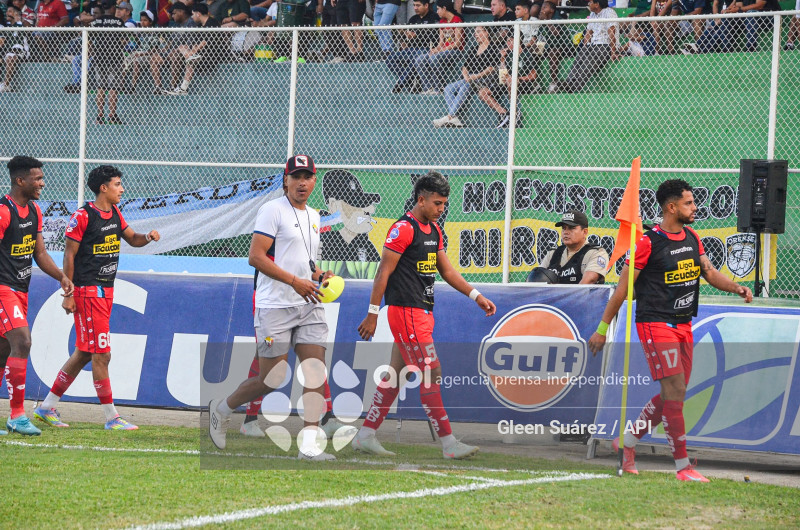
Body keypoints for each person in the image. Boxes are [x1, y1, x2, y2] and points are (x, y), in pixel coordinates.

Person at [588, 179, 753, 482]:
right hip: (655, 323)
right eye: (689, 203)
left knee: (672, 394)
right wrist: (601, 329)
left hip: (684, 324)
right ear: (671, 207)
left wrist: (736, 287)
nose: (694, 207)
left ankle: (626, 443)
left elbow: (710, 272)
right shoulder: (649, 242)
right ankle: (683, 467)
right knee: (675, 390)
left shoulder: (692, 237)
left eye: (693, 202)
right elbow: (623, 290)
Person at [352, 171, 497, 459]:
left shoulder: (435, 230)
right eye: (438, 203)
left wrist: (475, 295)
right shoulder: (403, 229)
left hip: (422, 311)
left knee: (396, 374)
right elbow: (383, 271)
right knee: (432, 372)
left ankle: (365, 435)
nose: (442, 209)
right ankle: (449, 444)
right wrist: (373, 313)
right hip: (405, 311)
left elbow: (447, 271)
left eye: (444, 204)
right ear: (421, 200)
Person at [208, 154, 339, 461]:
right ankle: (222, 408)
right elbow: (256, 257)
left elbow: (305, 263)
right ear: (285, 180)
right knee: (272, 379)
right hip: (275, 307)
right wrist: (295, 281)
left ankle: (309, 446)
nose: (302, 182)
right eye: (296, 177)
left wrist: (320, 276)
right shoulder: (272, 210)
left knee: (315, 372)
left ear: (314, 181)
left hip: (308, 304)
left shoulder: (314, 216)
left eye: (307, 177)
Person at [33, 166, 160, 431]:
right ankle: (112, 418)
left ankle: (46, 407)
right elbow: (69, 255)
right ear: (104, 188)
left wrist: (147, 237)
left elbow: (132, 239)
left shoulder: (114, 213)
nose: (121, 189)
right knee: (102, 355)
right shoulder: (83, 216)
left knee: (83, 353)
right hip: (89, 292)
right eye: (117, 184)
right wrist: (68, 294)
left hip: (106, 292)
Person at [0, 156, 73, 436]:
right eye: (37, 178)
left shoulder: (34, 211)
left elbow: (39, 253)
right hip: (3, 289)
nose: (42, 183)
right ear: (21, 181)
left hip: (20, 290)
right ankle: (17, 415)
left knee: (3, 351)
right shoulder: (4, 211)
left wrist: (62, 277)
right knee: (23, 341)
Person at [549, 0, 617, 94]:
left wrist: (613, 52)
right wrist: (584, 48)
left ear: (597, 4)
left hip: (604, 46)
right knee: (579, 59)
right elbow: (588, 33)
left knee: (588, 63)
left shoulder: (609, 12)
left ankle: (573, 86)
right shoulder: (593, 14)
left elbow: (612, 32)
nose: (588, 4)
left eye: (590, 2)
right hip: (592, 45)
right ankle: (568, 82)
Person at [433, 25, 495, 128]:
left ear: (486, 33)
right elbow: (465, 66)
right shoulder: (474, 48)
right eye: (475, 32)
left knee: (465, 86)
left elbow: (491, 68)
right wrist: (466, 75)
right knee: (448, 88)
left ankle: (449, 117)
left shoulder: (492, 48)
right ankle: (454, 117)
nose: (476, 34)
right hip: (470, 78)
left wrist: (475, 76)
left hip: (485, 79)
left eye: (479, 32)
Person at [483, 34, 539, 128]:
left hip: (524, 83)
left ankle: (515, 113)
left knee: (510, 80)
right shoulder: (508, 55)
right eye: (507, 41)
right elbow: (503, 77)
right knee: (483, 92)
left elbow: (533, 76)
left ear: (518, 41)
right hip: (508, 83)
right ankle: (504, 113)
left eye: (510, 40)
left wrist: (518, 78)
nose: (507, 43)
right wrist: (502, 59)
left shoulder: (527, 54)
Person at [538, 210, 609, 284]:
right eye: (564, 228)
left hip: (583, 295)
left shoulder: (596, 253)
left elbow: (589, 281)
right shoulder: (553, 253)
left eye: (571, 228)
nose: (566, 232)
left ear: (584, 232)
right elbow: (537, 279)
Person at [166, 3, 221, 95]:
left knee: (191, 58)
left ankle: (183, 87)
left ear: (198, 14)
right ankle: (183, 89)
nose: (192, 17)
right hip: (199, 55)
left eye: (193, 14)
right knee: (182, 48)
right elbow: (196, 43)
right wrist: (190, 50)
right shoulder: (199, 26)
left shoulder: (212, 22)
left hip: (212, 55)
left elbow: (204, 42)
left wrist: (192, 52)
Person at [385, 0, 439, 93]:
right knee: (389, 59)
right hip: (410, 49)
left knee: (416, 58)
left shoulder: (434, 17)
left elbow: (435, 35)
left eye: (418, 5)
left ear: (426, 5)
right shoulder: (413, 19)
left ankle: (401, 83)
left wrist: (416, 34)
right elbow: (404, 37)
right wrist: (403, 35)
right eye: (414, 5)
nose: (415, 8)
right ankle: (410, 82)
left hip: (427, 49)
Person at [415, 0, 464, 95]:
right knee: (420, 59)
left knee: (434, 58)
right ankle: (428, 88)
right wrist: (435, 49)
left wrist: (440, 50)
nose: (437, 12)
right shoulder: (442, 21)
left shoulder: (457, 20)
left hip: (455, 51)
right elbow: (441, 42)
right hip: (443, 51)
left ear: (444, 8)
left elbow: (457, 43)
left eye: (438, 9)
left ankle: (439, 88)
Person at [90, 0, 126, 125]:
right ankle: (112, 115)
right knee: (113, 88)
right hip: (115, 58)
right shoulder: (118, 22)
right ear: (112, 8)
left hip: (100, 58)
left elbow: (89, 40)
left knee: (100, 87)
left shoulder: (95, 22)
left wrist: (95, 50)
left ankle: (100, 115)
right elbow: (125, 39)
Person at [0, 6, 30, 93]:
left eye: (10, 11)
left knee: (11, 56)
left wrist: (19, 21)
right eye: (7, 11)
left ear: (16, 14)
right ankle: (5, 84)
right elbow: (2, 42)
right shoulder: (6, 27)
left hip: (22, 52)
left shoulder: (23, 24)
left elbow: (25, 32)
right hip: (8, 52)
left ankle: (6, 84)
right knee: (9, 56)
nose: (7, 13)